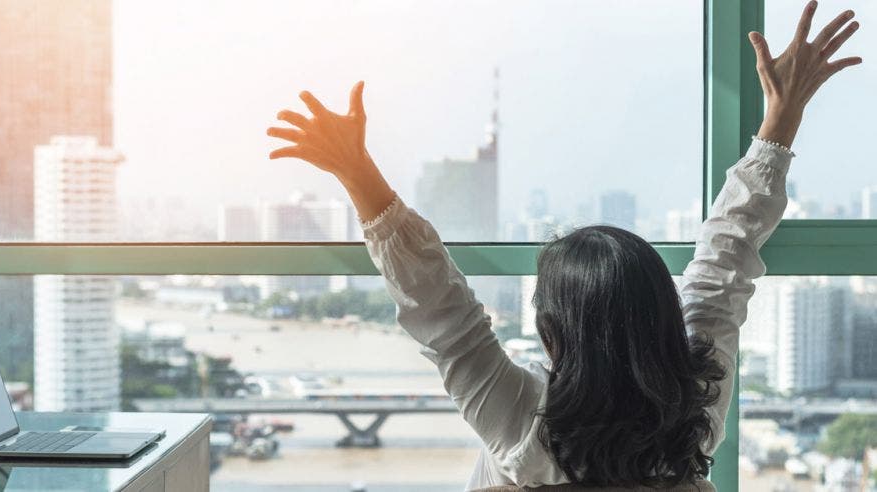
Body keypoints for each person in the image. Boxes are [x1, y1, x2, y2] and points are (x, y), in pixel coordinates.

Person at [266, 1, 862, 488]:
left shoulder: (521, 423)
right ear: (660, 316)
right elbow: (723, 265)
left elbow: (440, 309)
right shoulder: (693, 410)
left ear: (552, 335)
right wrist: (781, 119)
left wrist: (357, 172)